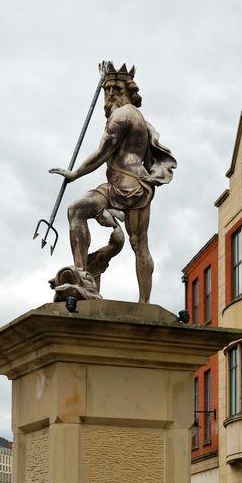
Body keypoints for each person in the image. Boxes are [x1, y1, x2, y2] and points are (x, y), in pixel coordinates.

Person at [49, 62, 176, 303]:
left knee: (76, 209)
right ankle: (143, 302)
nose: (106, 101)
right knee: (140, 244)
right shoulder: (140, 119)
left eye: (108, 93)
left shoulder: (121, 115)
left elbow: (102, 153)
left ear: (115, 92)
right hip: (137, 184)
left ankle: (82, 274)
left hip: (127, 185)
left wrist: (75, 173)